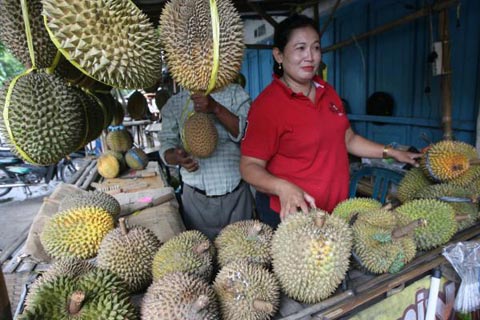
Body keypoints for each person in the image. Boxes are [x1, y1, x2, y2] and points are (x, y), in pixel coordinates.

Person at [240, 14, 421, 229]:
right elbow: (249, 166)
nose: (310, 56)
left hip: (334, 211)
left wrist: (391, 152)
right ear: (279, 55)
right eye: (300, 48)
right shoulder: (267, 106)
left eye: (315, 48)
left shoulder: (328, 92)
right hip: (293, 217)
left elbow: (348, 138)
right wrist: (281, 187)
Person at [159, 82, 254, 240]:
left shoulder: (234, 94)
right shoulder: (176, 103)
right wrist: (177, 157)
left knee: (242, 257)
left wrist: (216, 108)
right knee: (202, 257)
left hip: (236, 196)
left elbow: (248, 133)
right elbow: (166, 145)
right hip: (196, 201)